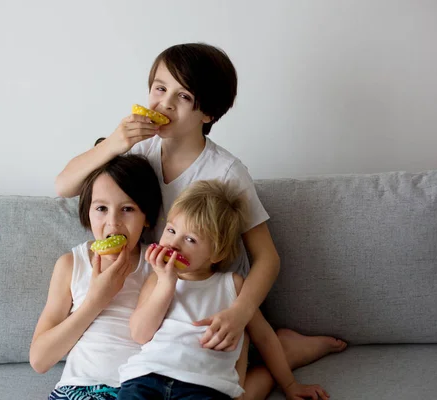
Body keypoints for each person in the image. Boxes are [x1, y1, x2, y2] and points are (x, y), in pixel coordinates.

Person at [56, 43, 346, 397]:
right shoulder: (136, 151)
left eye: (183, 97)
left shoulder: (227, 172)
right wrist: (114, 142)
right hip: (163, 293)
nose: (164, 104)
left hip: (216, 298)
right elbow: (64, 185)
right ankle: (275, 349)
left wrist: (240, 312)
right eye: (160, 88)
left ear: (207, 113)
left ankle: (281, 350)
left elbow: (267, 258)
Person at [117, 180, 329, 400]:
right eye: (171, 230)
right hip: (147, 376)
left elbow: (264, 337)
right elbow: (140, 334)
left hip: (204, 386)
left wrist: (290, 385)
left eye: (190, 239)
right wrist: (166, 283)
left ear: (217, 253)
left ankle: (292, 350)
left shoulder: (232, 286)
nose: (174, 243)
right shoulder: (156, 279)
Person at [30, 153, 162, 399]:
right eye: (101, 208)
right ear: (87, 212)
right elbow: (40, 360)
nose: (113, 223)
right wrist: (96, 300)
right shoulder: (72, 265)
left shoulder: (157, 266)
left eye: (128, 209)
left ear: (146, 217)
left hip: (138, 390)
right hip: (78, 388)